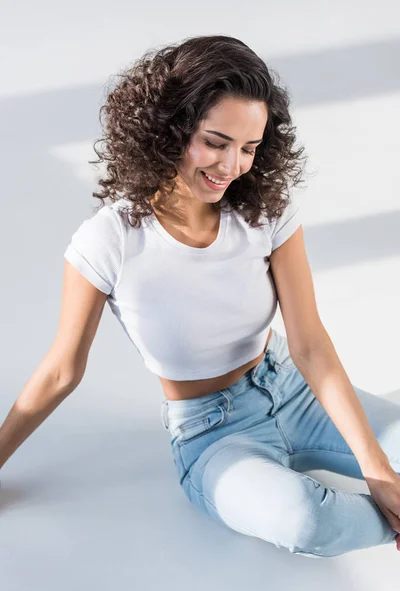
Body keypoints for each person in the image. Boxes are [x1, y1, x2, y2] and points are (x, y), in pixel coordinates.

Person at [1, 34, 399, 558]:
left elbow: (311, 347)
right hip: (215, 433)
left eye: (250, 148)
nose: (232, 166)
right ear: (170, 130)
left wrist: (377, 470)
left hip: (296, 389)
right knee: (306, 522)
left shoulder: (265, 213)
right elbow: (61, 371)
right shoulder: (110, 239)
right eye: (216, 141)